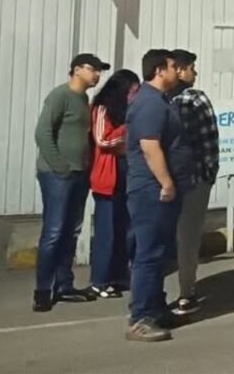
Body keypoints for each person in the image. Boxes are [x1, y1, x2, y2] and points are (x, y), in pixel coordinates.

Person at [124, 49, 194, 342]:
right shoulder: (149, 103)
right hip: (152, 190)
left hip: (165, 189)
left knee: (161, 252)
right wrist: (166, 182)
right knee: (149, 253)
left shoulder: (161, 100)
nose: (177, 71)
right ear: (158, 70)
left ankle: (155, 308)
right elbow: (150, 146)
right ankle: (140, 318)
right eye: (172, 66)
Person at [32, 53, 110, 313]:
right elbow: (43, 133)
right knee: (54, 231)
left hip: (79, 174)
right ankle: (43, 290)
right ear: (77, 70)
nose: (97, 75)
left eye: (99, 71)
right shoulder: (60, 96)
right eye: (93, 69)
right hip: (57, 175)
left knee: (71, 231)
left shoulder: (83, 99)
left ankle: (64, 284)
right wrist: (60, 166)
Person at [168, 50, 220, 316]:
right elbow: (210, 141)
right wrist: (208, 173)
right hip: (193, 178)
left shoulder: (158, 99)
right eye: (191, 68)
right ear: (179, 70)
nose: (194, 73)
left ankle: (159, 295)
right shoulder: (194, 99)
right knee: (188, 237)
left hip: (167, 178)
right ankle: (186, 293)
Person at [88, 68, 140, 299]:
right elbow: (102, 139)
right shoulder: (102, 109)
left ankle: (119, 275)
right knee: (107, 229)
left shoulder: (128, 111)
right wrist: (127, 127)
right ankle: (100, 279)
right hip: (108, 173)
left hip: (127, 170)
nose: (134, 96)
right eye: (132, 92)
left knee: (125, 227)